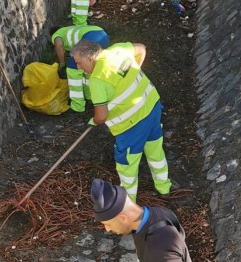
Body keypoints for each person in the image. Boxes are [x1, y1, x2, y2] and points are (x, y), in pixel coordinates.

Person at [72, 40, 172, 199]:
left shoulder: (97, 80)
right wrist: (135, 71)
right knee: (155, 150)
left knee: (127, 165)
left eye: (79, 63)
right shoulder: (118, 50)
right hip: (151, 106)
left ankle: (129, 203)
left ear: (90, 58)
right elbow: (141, 48)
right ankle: (164, 188)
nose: (78, 67)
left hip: (131, 124)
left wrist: (95, 121)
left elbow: (101, 116)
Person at [51, 24, 110, 112]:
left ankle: (77, 106)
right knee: (87, 67)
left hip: (91, 38)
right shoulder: (68, 29)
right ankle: (90, 96)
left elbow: (59, 45)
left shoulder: (56, 34)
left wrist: (62, 63)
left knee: (72, 69)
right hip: (103, 36)